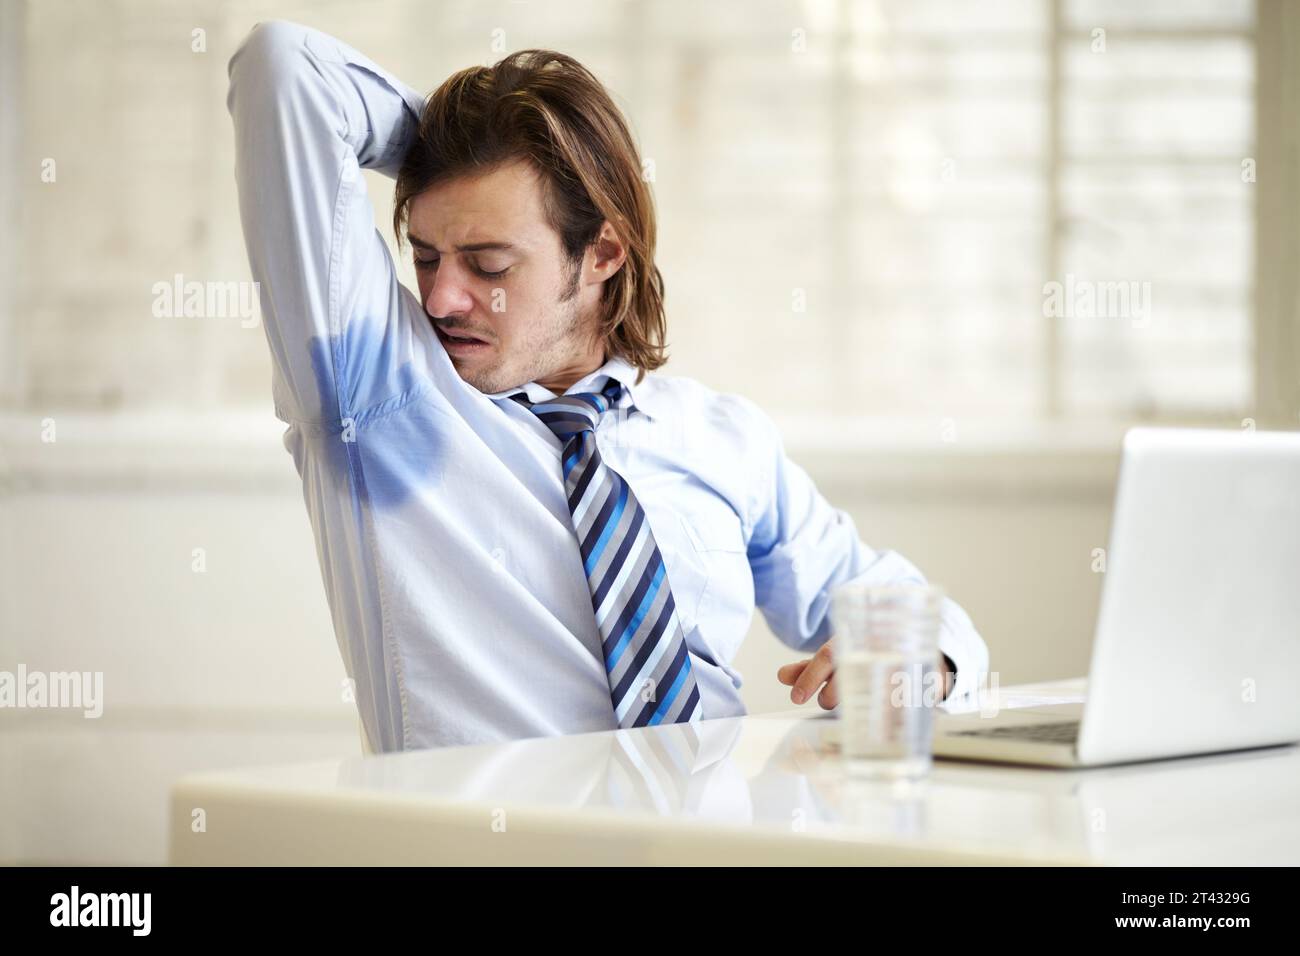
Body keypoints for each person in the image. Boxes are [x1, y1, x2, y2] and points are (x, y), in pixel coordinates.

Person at [226, 19, 989, 753]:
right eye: (425, 255)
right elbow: (284, 70)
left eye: (489, 264)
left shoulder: (720, 438)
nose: (440, 299)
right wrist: (449, 137)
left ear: (603, 253)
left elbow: (898, 606)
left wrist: (922, 664)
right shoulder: (376, 394)